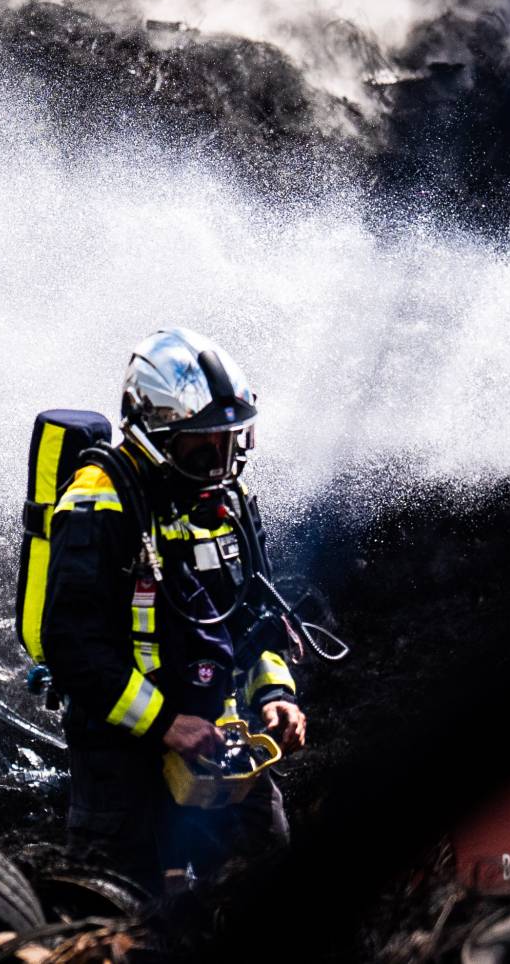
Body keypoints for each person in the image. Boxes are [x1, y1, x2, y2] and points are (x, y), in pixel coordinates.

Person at [39, 327, 306, 892]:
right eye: (202, 444)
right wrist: (163, 722)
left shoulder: (224, 502)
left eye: (230, 441)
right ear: (157, 431)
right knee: (113, 908)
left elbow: (254, 616)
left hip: (218, 742)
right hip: (122, 756)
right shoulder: (100, 496)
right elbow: (70, 641)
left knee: (272, 881)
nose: (220, 460)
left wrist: (276, 696)